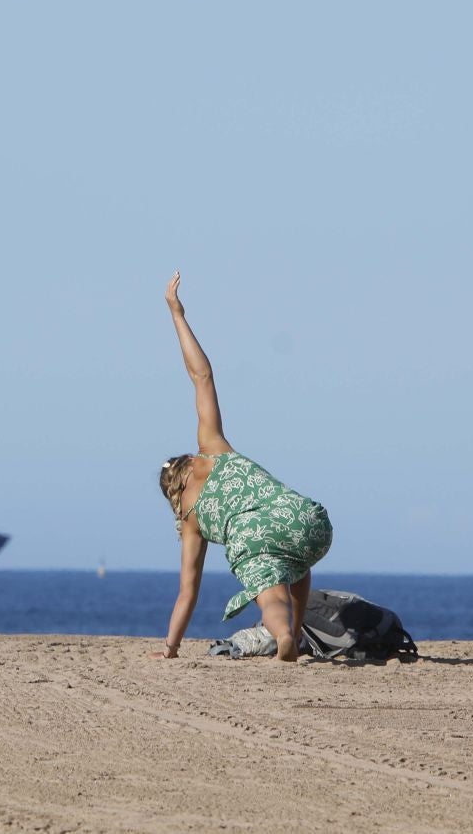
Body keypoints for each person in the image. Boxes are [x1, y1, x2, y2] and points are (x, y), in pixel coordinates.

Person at [151, 272, 333, 663]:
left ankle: (284, 634)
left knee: (269, 587)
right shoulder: (213, 449)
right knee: (295, 562)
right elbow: (202, 376)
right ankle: (298, 637)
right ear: (187, 462)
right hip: (308, 520)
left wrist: (170, 648)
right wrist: (177, 314)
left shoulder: (189, 520)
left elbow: (188, 592)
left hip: (256, 538)